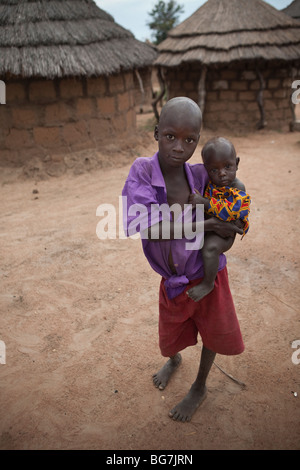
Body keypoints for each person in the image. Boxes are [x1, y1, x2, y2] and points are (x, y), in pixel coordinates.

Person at [122, 97, 244, 422]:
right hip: (173, 280)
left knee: (213, 331)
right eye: (170, 136)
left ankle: (200, 386)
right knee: (171, 334)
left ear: (198, 140)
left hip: (208, 274)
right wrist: (208, 222)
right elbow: (152, 227)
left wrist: (227, 228)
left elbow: (237, 200)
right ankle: (174, 359)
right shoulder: (143, 172)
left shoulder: (202, 175)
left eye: (190, 139)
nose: (180, 147)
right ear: (156, 132)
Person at [187, 137, 251, 302]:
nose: (222, 173)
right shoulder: (211, 184)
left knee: (209, 248)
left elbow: (229, 212)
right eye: (214, 170)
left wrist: (204, 202)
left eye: (227, 166)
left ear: (236, 163)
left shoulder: (237, 187)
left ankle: (208, 283)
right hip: (214, 226)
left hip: (226, 233)